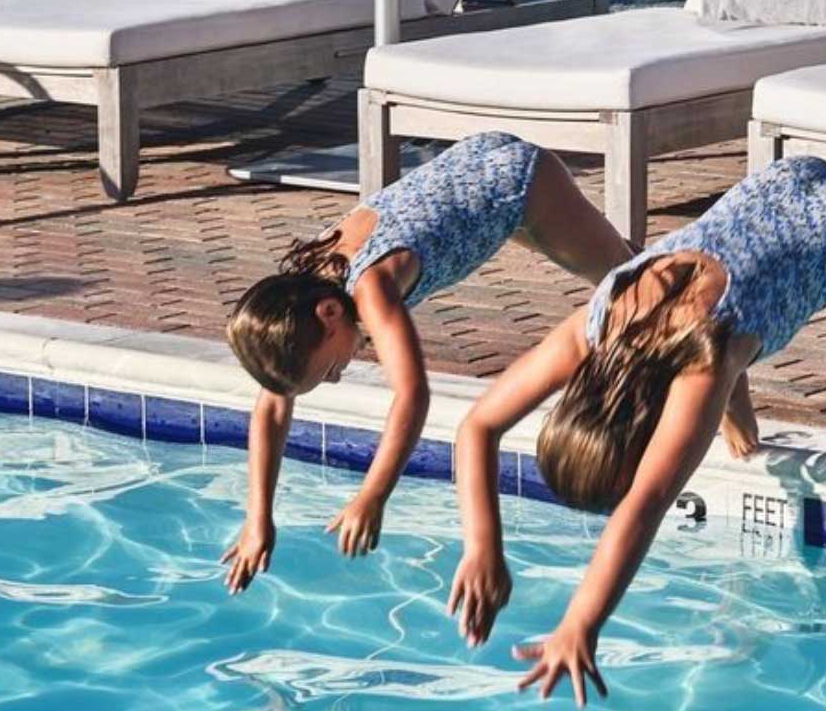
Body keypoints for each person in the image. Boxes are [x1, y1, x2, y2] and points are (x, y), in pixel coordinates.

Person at [449, 155, 826, 704]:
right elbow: (478, 427)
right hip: (771, 190)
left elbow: (643, 507)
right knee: (724, 339)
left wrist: (579, 624)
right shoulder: (602, 317)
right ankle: (738, 415)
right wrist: (481, 548)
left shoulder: (701, 368)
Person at [219, 132, 629, 594]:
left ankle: (724, 393)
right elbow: (273, 407)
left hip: (517, 184)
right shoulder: (305, 292)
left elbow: (412, 395)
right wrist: (258, 520)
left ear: (329, 315)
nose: (334, 379)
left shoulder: (370, 289)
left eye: (326, 370)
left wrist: (374, 495)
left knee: (631, 286)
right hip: (477, 181)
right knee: (619, 265)